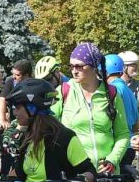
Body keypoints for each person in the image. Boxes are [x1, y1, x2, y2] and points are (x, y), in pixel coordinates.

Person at [55, 43, 131, 174]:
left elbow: (123, 134)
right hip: (75, 173)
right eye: (71, 66)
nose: (74, 70)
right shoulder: (64, 91)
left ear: (94, 67)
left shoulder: (112, 93)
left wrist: (113, 159)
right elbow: (47, 125)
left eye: (79, 66)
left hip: (107, 173)